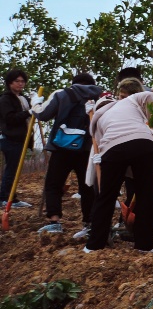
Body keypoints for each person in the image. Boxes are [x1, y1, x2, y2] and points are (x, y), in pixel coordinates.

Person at [85, 77, 153, 253]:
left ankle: (94, 245)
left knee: (106, 197)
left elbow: (100, 148)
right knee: (146, 196)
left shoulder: (97, 118)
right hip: (143, 143)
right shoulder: (131, 101)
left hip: (114, 148)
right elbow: (149, 95)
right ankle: (146, 246)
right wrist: (152, 124)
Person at [34, 73, 105, 238]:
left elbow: (43, 115)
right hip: (88, 149)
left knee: (54, 184)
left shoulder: (62, 94)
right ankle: (89, 223)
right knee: (87, 186)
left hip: (62, 147)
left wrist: (35, 104)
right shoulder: (101, 98)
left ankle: (54, 221)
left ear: (74, 83)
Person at [0, 69, 36, 209]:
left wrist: (36, 104)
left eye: (22, 81)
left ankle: (10, 197)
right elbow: (10, 119)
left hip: (21, 139)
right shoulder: (5, 99)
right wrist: (28, 112)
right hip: (10, 139)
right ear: (10, 83)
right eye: (17, 81)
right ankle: (6, 198)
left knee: (15, 169)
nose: (20, 84)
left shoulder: (23, 98)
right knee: (12, 169)